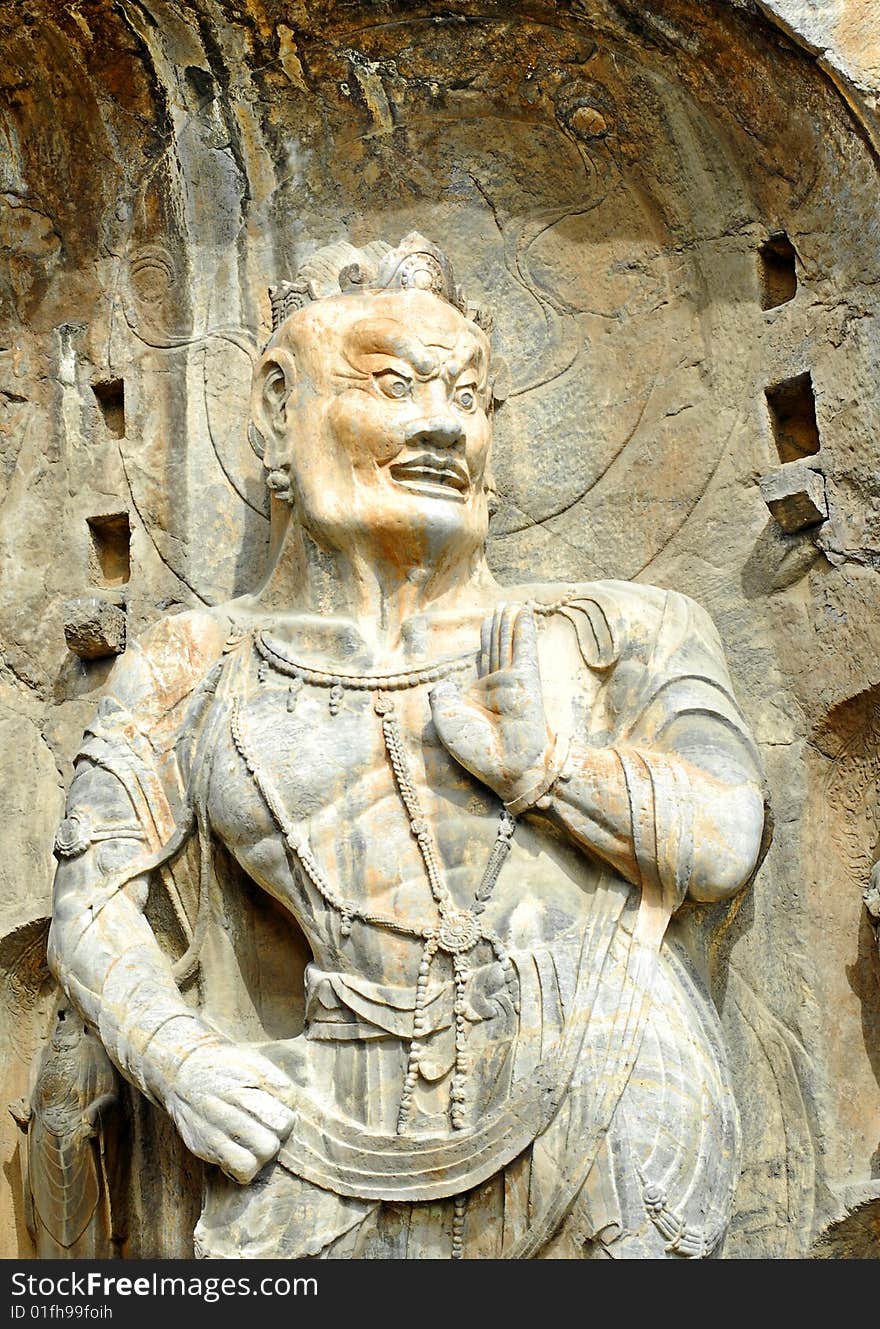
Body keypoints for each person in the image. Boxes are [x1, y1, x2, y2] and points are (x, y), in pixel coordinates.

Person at [48, 234, 766, 1259]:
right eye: (390, 387)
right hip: (312, 1112)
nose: (441, 427)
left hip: (601, 1072)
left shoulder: (614, 630)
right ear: (274, 411)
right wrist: (177, 1056)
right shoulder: (196, 661)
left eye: (467, 397)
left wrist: (554, 773)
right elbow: (92, 902)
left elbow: (724, 842)